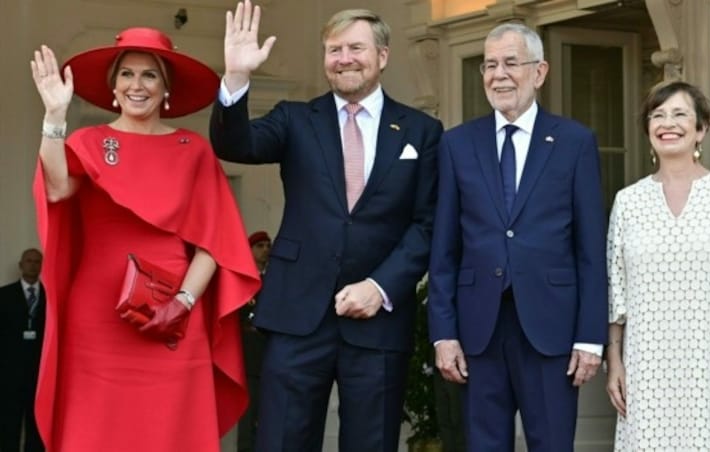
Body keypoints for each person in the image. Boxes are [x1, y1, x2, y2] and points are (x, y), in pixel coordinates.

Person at [210, 2, 443, 450]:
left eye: (356, 47)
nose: (344, 58)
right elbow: (235, 143)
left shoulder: (420, 131)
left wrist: (380, 286)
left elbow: (427, 224)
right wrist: (236, 78)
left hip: (378, 323)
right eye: (333, 49)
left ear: (383, 56)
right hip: (297, 316)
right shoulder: (296, 119)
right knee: (282, 441)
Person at [29, 27, 260, 452]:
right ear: (113, 86)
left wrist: (183, 304)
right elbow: (57, 188)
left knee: (169, 429)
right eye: (127, 75)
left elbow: (215, 242)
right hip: (97, 317)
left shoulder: (194, 149)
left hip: (173, 311)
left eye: (150, 75)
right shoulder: (88, 141)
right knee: (97, 428)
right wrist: (54, 118)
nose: (138, 85)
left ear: (166, 88)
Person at [427, 22, 608, 451]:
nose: (498, 74)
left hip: (552, 330)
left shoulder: (574, 142)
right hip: (478, 331)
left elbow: (589, 249)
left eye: (511, 62)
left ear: (540, 72)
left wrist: (589, 337)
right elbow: (444, 248)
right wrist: (443, 333)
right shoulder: (457, 144)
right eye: (490, 65)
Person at [604, 80, 710, 451]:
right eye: (658, 115)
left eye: (681, 114)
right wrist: (613, 360)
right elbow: (617, 292)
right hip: (647, 366)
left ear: (701, 130)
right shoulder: (628, 203)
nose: (668, 123)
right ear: (648, 130)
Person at [0, 248, 46, 452]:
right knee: (8, 421)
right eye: (29, 261)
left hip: (39, 373)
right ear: (20, 265)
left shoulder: (49, 296)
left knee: (36, 422)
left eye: (37, 261)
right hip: (9, 372)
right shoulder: (3, 295)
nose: (33, 265)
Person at [237, 230, 271, 452]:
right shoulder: (242, 281)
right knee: (248, 419)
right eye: (259, 246)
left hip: (268, 356)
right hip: (248, 358)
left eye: (268, 245)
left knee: (267, 418)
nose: (266, 250)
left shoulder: (274, 281)